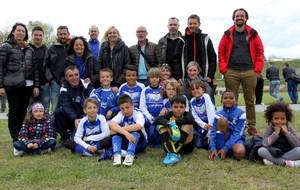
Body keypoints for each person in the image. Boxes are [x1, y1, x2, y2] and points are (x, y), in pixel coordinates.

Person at [218, 8, 264, 136]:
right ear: (233, 18)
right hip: (231, 71)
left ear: (246, 18)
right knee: (231, 100)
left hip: (249, 71)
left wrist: (257, 70)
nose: (239, 18)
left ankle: (251, 127)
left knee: (250, 100)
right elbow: (221, 53)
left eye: (242, 16)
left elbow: (260, 52)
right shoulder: (227, 34)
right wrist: (224, 70)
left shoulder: (253, 34)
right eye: (237, 16)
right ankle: (231, 125)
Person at [0, 23, 40, 153]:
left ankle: (23, 136)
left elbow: (34, 69)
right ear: (13, 32)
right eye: (18, 31)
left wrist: (36, 85)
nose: (21, 33)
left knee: (23, 111)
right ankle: (15, 139)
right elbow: (0, 67)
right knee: (14, 111)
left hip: (27, 84)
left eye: (23, 31)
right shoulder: (5, 47)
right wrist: (0, 85)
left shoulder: (29, 48)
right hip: (13, 84)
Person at [173, 14, 217, 92]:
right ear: (187, 24)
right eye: (190, 24)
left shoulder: (206, 39)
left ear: (199, 24)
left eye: (194, 23)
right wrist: (178, 76)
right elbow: (176, 60)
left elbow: (212, 58)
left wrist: (210, 75)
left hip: (203, 77)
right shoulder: (182, 41)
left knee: (206, 99)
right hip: (186, 78)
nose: (192, 25)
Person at [54, 66, 94, 148]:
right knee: (58, 112)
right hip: (72, 119)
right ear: (66, 78)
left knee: (75, 141)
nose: (74, 78)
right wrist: (75, 119)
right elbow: (66, 107)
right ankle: (64, 137)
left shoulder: (86, 85)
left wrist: (83, 118)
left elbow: (93, 103)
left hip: (85, 117)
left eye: (76, 75)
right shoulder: (64, 89)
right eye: (71, 76)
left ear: (79, 75)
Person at [153, 94, 195, 165]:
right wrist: (168, 123)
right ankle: (174, 154)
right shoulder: (170, 115)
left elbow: (191, 119)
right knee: (161, 126)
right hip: (170, 145)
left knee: (188, 124)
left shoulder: (187, 115)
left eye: (181, 107)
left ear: (185, 107)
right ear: (171, 107)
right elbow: (157, 119)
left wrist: (175, 122)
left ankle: (173, 154)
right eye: (175, 107)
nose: (178, 109)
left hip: (186, 147)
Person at [258, 101, 300, 167]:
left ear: (287, 120)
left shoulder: (290, 129)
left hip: (288, 152)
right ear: (271, 120)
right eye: (276, 118)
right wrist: (275, 134)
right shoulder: (269, 129)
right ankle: (287, 163)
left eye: (282, 118)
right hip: (274, 152)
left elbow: (297, 144)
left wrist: (287, 133)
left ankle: (275, 162)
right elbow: (265, 144)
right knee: (261, 150)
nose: (279, 121)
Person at [109, 94, 148, 166]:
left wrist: (120, 130)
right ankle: (117, 155)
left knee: (134, 130)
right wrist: (126, 133)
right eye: (122, 108)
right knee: (116, 133)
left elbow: (138, 126)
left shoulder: (138, 113)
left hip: (140, 143)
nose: (125, 111)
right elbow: (111, 124)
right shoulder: (120, 114)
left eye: (127, 107)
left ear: (132, 105)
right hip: (127, 141)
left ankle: (130, 155)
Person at [208, 90, 246, 161]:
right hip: (222, 139)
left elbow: (238, 134)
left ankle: (227, 151)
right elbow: (213, 132)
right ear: (221, 101)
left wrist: (226, 147)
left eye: (231, 98)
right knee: (222, 120)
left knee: (240, 153)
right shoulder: (217, 115)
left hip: (235, 140)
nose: (228, 100)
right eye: (225, 98)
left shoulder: (241, 114)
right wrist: (212, 148)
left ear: (236, 101)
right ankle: (219, 149)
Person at [44, 25, 71, 119]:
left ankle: (66, 128)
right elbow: (46, 65)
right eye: (61, 34)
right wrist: (51, 79)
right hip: (56, 82)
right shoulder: (51, 48)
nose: (63, 36)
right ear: (57, 35)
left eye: (64, 34)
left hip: (69, 82)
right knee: (55, 107)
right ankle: (53, 129)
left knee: (68, 106)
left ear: (68, 34)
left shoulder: (72, 47)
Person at [28, 26, 50, 115]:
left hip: (44, 84)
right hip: (30, 84)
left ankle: (45, 128)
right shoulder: (28, 49)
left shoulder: (46, 49)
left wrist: (48, 81)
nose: (38, 37)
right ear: (32, 35)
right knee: (31, 109)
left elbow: (49, 66)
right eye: (36, 35)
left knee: (45, 110)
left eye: (40, 35)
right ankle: (31, 128)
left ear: (43, 36)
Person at [139, 67, 164, 147]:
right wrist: (150, 118)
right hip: (149, 116)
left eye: (156, 77)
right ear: (149, 79)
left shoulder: (163, 90)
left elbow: (165, 104)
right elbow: (142, 106)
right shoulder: (145, 90)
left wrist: (160, 117)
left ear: (159, 78)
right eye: (152, 77)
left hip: (160, 116)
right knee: (152, 130)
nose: (154, 79)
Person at [190, 79, 216, 149]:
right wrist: (204, 125)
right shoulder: (192, 101)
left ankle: (211, 136)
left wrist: (209, 133)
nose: (195, 91)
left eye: (197, 88)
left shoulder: (206, 97)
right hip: (203, 125)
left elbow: (211, 114)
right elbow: (195, 116)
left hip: (212, 123)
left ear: (203, 90)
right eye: (193, 89)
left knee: (206, 145)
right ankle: (200, 137)